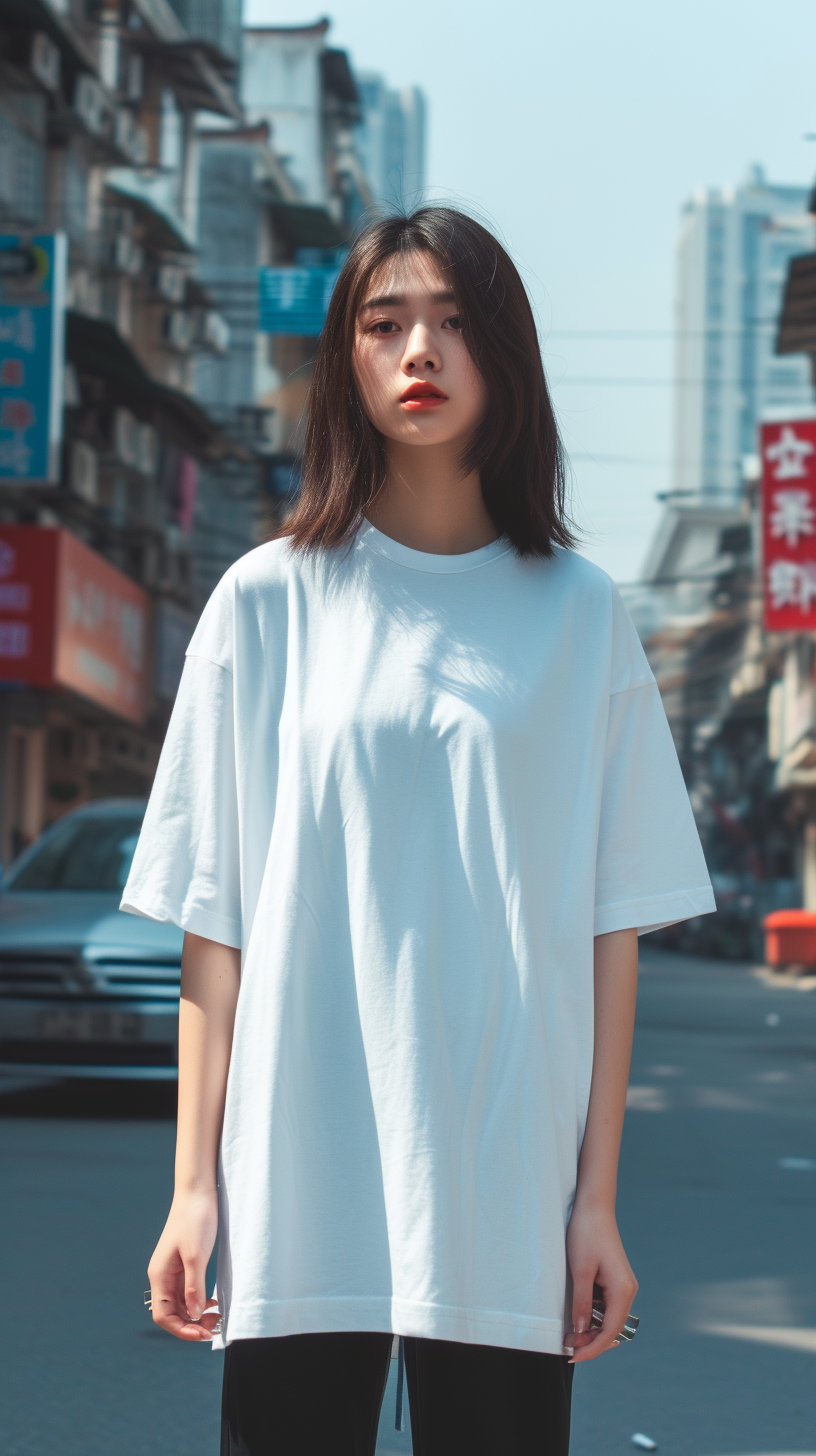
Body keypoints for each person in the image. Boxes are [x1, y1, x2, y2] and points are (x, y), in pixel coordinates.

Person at [125, 207, 715, 1456]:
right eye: (385, 324)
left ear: (504, 357)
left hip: (504, 1185)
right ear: (345, 359)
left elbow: (613, 930)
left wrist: (595, 1202)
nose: (419, 352)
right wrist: (193, 1190)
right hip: (298, 1178)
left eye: (454, 322)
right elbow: (212, 919)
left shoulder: (579, 613)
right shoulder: (264, 602)